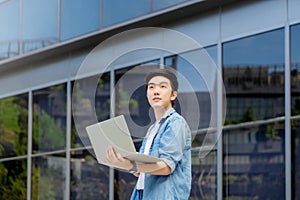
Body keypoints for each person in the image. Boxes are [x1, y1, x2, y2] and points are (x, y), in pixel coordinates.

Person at [105, 68, 192, 200]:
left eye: (162, 86)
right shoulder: (153, 129)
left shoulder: (175, 123)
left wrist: (130, 165)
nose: (156, 91)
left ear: (173, 95)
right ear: (147, 94)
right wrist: (124, 163)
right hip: (142, 194)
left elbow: (166, 167)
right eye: (151, 87)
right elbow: (143, 170)